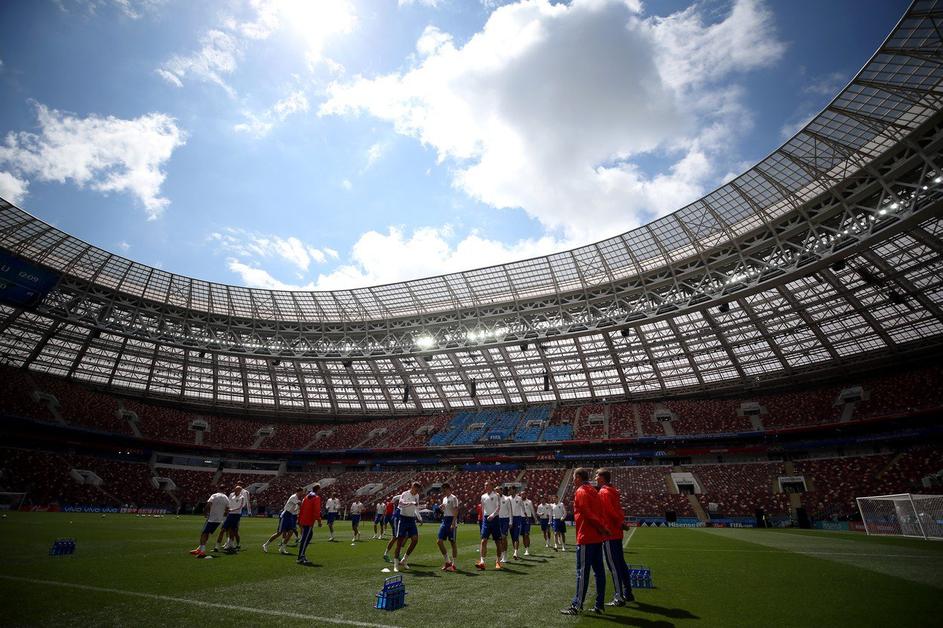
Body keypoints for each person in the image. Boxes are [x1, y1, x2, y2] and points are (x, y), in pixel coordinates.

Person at [560, 468, 610, 616]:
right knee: (599, 572)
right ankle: (599, 604)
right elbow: (600, 512)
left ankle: (577, 605)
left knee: (582, 572)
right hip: (596, 538)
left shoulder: (581, 491)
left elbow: (587, 514)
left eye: (574, 477)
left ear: (579, 478)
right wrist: (602, 528)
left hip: (586, 537)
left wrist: (601, 527)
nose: (573, 480)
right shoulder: (594, 491)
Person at [596, 468, 635, 606]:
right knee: (621, 563)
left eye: (597, 475)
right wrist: (621, 524)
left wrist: (619, 523)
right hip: (617, 533)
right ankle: (628, 592)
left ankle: (619, 596)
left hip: (609, 533)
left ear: (602, 478)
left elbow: (609, 512)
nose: (595, 478)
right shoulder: (613, 491)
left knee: (613, 566)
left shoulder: (603, 492)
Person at [189, 486, 230, 558]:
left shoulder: (214, 495)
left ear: (218, 489)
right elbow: (227, 509)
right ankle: (199, 549)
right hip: (219, 520)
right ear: (224, 490)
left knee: (204, 533)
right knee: (206, 533)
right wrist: (222, 515)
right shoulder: (226, 498)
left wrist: (205, 512)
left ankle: (202, 551)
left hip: (211, 518)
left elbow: (208, 504)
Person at [262, 487, 304, 554]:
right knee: (279, 533)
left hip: (290, 515)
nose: (302, 493)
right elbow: (300, 504)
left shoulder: (296, 498)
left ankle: (282, 548)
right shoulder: (293, 497)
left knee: (290, 532)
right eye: (302, 492)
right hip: (285, 515)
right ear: (299, 492)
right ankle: (266, 544)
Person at [392, 482, 423, 573]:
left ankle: (404, 560)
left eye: (418, 490)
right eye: (416, 489)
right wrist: (411, 503)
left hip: (411, 519)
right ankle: (396, 564)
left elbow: (416, 507)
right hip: (403, 519)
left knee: (415, 540)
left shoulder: (417, 495)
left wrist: (419, 517)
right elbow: (401, 504)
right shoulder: (405, 494)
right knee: (399, 542)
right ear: (412, 487)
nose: (417, 492)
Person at [476, 481, 502, 570]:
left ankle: (498, 561)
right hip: (486, 520)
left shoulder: (496, 495)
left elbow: (498, 507)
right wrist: (483, 519)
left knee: (497, 542)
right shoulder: (483, 496)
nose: (485, 486)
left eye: (487, 485)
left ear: (491, 486)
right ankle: (482, 562)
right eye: (485, 485)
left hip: (495, 519)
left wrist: (493, 515)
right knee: (483, 540)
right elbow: (483, 509)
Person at [218, 484, 249, 553]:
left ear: (240, 490)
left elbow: (240, 507)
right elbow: (228, 503)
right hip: (229, 514)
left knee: (234, 531)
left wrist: (231, 510)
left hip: (236, 515)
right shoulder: (231, 495)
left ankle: (236, 544)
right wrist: (227, 510)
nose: (235, 489)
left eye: (237, 489)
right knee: (226, 529)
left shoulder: (242, 497)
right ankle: (228, 544)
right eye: (235, 488)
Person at [297, 484, 322, 565]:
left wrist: (299, 519)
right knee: (305, 538)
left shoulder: (306, 497)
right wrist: (319, 521)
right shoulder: (316, 498)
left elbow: (301, 508)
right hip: (309, 520)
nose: (321, 491)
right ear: (317, 490)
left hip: (304, 519)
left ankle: (302, 555)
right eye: (320, 489)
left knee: (309, 536)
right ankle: (301, 557)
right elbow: (316, 511)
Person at [436, 482, 459, 571]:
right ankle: (447, 561)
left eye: (444, 489)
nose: (443, 491)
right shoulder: (444, 499)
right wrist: (441, 508)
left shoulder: (454, 498)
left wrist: (453, 523)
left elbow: (456, 511)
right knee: (439, 541)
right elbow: (445, 511)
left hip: (451, 520)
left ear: (448, 489)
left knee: (452, 542)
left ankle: (454, 564)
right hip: (445, 520)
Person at [382, 495, 401, 563]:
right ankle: (386, 554)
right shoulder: (397, 498)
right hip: (396, 519)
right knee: (395, 537)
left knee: (400, 538)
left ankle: (397, 554)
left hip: (401, 520)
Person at [496, 485, 512, 564]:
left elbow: (510, 511)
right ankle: (502, 555)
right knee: (499, 539)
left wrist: (510, 522)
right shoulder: (494, 499)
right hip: (497, 520)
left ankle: (505, 556)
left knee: (504, 537)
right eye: (496, 490)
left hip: (505, 520)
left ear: (502, 491)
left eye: (498, 490)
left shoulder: (507, 499)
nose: (497, 491)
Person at [510, 486, 525, 560]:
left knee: (516, 536)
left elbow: (523, 508)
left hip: (517, 518)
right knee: (512, 536)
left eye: (511, 489)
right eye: (509, 490)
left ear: (514, 490)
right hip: (510, 519)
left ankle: (515, 552)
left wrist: (525, 515)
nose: (510, 491)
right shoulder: (508, 498)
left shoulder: (519, 498)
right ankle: (515, 551)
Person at [521, 489, 536, 557]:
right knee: (523, 535)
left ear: (526, 495)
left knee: (526, 534)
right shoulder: (519, 501)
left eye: (523, 494)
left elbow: (532, 510)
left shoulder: (529, 502)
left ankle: (527, 550)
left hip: (527, 519)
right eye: (521, 494)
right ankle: (525, 548)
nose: (522, 495)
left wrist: (535, 518)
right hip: (520, 519)